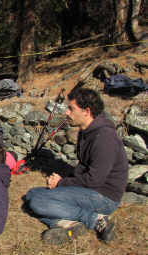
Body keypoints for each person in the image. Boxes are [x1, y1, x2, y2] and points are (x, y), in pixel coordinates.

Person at [25, 88, 128, 245]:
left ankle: (95, 220)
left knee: (38, 201)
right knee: (32, 194)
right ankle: (67, 225)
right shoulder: (86, 131)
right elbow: (83, 168)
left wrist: (61, 183)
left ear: (87, 111)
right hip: (90, 190)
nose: (66, 112)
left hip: (104, 197)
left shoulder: (104, 138)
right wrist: (64, 181)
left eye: (71, 108)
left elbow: (95, 180)